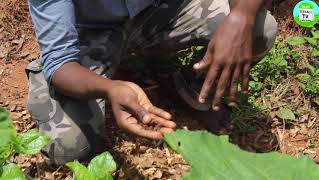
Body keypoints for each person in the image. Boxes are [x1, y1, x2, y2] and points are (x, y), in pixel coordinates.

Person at [26, 0, 277, 165]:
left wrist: (240, 17)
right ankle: (44, 81)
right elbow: (61, 63)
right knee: (68, 147)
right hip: (90, 33)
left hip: (160, 11)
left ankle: (189, 92)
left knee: (259, 30)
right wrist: (111, 88)